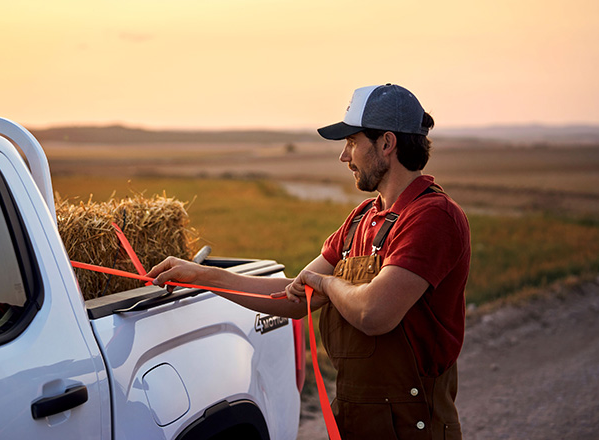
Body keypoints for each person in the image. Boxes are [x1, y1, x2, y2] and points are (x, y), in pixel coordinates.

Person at [147, 84, 470, 439]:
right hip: (356, 420)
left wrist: (328, 284)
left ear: (387, 143)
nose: (344, 157)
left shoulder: (432, 216)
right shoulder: (361, 219)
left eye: (351, 143)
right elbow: (292, 297)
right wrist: (203, 275)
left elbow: (374, 314)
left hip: (414, 428)